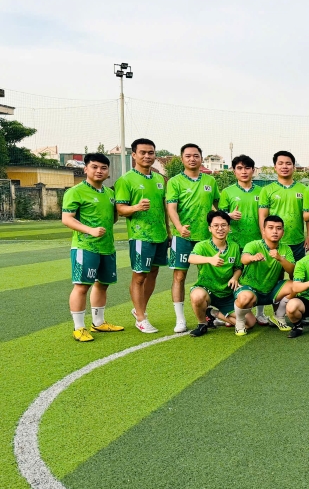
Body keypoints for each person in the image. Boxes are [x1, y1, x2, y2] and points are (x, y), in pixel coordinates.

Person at [62, 153, 124, 342]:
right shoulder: (75, 191)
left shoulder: (110, 193)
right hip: (85, 247)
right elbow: (67, 219)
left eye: (103, 168)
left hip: (107, 247)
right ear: (85, 169)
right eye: (94, 167)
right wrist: (90, 230)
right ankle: (79, 327)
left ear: (108, 172)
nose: (99, 171)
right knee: (82, 286)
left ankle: (98, 322)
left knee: (102, 284)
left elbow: (112, 217)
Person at [115, 138, 169, 333]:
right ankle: (140, 317)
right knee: (139, 276)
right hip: (140, 235)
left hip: (160, 234)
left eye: (151, 153)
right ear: (134, 155)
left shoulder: (160, 179)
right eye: (143, 152)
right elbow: (120, 209)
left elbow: (164, 208)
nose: (147, 156)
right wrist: (136, 207)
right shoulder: (126, 180)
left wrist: (169, 232)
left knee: (153, 273)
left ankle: (140, 309)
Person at [166, 143, 220, 333]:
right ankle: (180, 319)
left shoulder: (210, 181)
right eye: (188, 156)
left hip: (206, 237)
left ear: (201, 158)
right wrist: (179, 227)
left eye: (196, 155)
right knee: (179, 276)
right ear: (182, 159)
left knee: (209, 276)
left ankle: (210, 315)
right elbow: (171, 208)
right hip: (183, 237)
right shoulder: (175, 182)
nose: (192, 159)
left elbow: (217, 205)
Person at [218, 154, 267, 324]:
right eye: (239, 168)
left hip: (256, 241)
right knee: (234, 276)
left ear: (253, 170)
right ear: (234, 171)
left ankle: (260, 313)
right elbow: (220, 216)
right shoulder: (227, 192)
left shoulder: (262, 191)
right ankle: (231, 311)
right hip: (235, 242)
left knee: (259, 276)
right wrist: (229, 215)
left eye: (247, 168)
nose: (244, 171)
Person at [233, 215, 296, 335]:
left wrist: (280, 259)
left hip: (271, 290)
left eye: (278, 228)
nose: (275, 231)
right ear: (263, 230)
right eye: (270, 228)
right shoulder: (254, 245)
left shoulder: (286, 249)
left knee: (295, 286)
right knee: (245, 298)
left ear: (283, 232)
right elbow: (243, 259)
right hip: (250, 290)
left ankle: (278, 317)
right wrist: (252, 258)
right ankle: (240, 322)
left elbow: (292, 271)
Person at [186, 211, 242, 337]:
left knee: (248, 323)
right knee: (197, 296)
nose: (220, 228)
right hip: (207, 290)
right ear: (209, 228)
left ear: (229, 227)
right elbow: (191, 258)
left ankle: (212, 313)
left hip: (227, 294)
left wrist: (235, 277)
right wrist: (210, 259)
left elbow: (238, 267)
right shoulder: (202, 246)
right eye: (216, 225)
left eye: (223, 225)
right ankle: (202, 324)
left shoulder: (234, 246)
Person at [259, 150, 307, 263]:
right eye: (280, 163)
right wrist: (265, 237)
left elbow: (307, 216)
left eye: (288, 163)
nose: (284, 166)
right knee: (274, 273)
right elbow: (262, 216)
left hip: (297, 241)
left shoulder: (304, 189)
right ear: (275, 167)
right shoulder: (266, 190)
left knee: (297, 272)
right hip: (274, 242)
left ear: (294, 167)